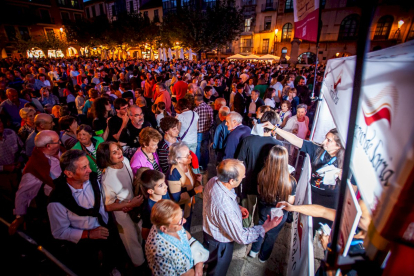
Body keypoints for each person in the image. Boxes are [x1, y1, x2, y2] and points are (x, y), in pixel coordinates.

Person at [47, 150, 126, 276]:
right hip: (85, 246)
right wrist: (88, 234)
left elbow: (102, 201)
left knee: (112, 261)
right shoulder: (57, 200)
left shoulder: (93, 179)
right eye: (84, 168)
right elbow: (59, 232)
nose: (90, 170)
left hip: (108, 231)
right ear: (69, 173)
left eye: (88, 165)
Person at [203, 159, 283, 276]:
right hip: (220, 245)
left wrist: (237, 207)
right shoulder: (225, 207)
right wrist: (266, 227)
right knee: (217, 272)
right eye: (241, 176)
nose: (244, 177)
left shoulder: (214, 181)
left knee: (210, 266)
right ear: (231, 181)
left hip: (209, 235)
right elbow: (241, 236)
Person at [263, 122, 345, 230]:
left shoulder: (346, 163)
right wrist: (274, 128)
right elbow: (295, 140)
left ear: (339, 146)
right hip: (311, 195)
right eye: (325, 138)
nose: (324, 142)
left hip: (330, 201)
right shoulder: (317, 149)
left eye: (329, 140)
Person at [97, 142, 146, 268]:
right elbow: (108, 206)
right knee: (131, 240)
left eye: (118, 149)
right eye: (114, 152)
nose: (119, 153)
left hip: (135, 208)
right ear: (106, 156)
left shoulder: (125, 160)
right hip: (123, 214)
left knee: (140, 234)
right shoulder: (107, 178)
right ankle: (139, 267)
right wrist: (130, 204)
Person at [248, 145, 296, 262]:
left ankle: (254, 251)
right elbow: (290, 202)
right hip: (279, 212)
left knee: (261, 228)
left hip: (264, 207)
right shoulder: (291, 182)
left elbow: (259, 191)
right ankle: (263, 257)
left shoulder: (262, 175)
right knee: (272, 235)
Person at [9, 130, 61, 237]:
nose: (60, 143)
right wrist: (19, 217)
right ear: (48, 146)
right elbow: (23, 193)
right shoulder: (35, 167)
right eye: (58, 141)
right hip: (58, 208)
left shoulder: (60, 151)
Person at [236, 111, 283, 218]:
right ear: (274, 126)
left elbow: (239, 162)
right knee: (261, 219)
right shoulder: (278, 145)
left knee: (245, 216)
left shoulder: (248, 141)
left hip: (249, 184)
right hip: (268, 188)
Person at [146, 199, 204, 276]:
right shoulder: (160, 253)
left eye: (182, 216)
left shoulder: (168, 223)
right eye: (180, 221)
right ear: (164, 229)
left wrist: (199, 262)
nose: (184, 221)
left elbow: (186, 236)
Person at [167, 141, 203, 231]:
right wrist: (195, 191)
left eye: (189, 153)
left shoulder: (186, 165)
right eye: (187, 156)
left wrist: (195, 178)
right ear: (177, 159)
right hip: (180, 211)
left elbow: (188, 180)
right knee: (184, 231)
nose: (191, 157)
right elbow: (177, 198)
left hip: (188, 205)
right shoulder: (174, 174)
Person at [138, 170, 170, 240]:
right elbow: (145, 234)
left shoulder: (164, 194)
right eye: (161, 185)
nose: (166, 186)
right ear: (151, 191)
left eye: (164, 182)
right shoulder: (148, 208)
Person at [194, 94, 213, 171]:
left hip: (198, 132)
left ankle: (197, 165)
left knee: (198, 148)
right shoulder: (209, 108)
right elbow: (211, 121)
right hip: (206, 131)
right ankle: (204, 165)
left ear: (196, 101)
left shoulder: (196, 109)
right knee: (205, 148)